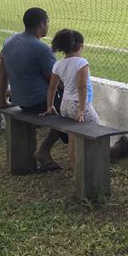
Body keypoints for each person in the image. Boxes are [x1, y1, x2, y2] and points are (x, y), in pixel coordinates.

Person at [0, 8, 127, 171]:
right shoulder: (42, 49)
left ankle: (44, 151)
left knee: (64, 111)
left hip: (21, 102)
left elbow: (2, 71)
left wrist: (1, 101)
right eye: (48, 22)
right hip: (40, 102)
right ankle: (104, 154)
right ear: (41, 24)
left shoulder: (10, 41)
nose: (48, 25)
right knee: (72, 116)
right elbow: (57, 82)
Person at [42, 29, 101, 179]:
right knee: (98, 133)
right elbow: (81, 87)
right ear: (80, 46)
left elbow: (52, 87)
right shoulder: (81, 62)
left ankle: (77, 173)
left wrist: (50, 106)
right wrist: (82, 110)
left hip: (65, 105)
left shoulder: (58, 64)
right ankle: (96, 168)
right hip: (79, 105)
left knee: (73, 139)